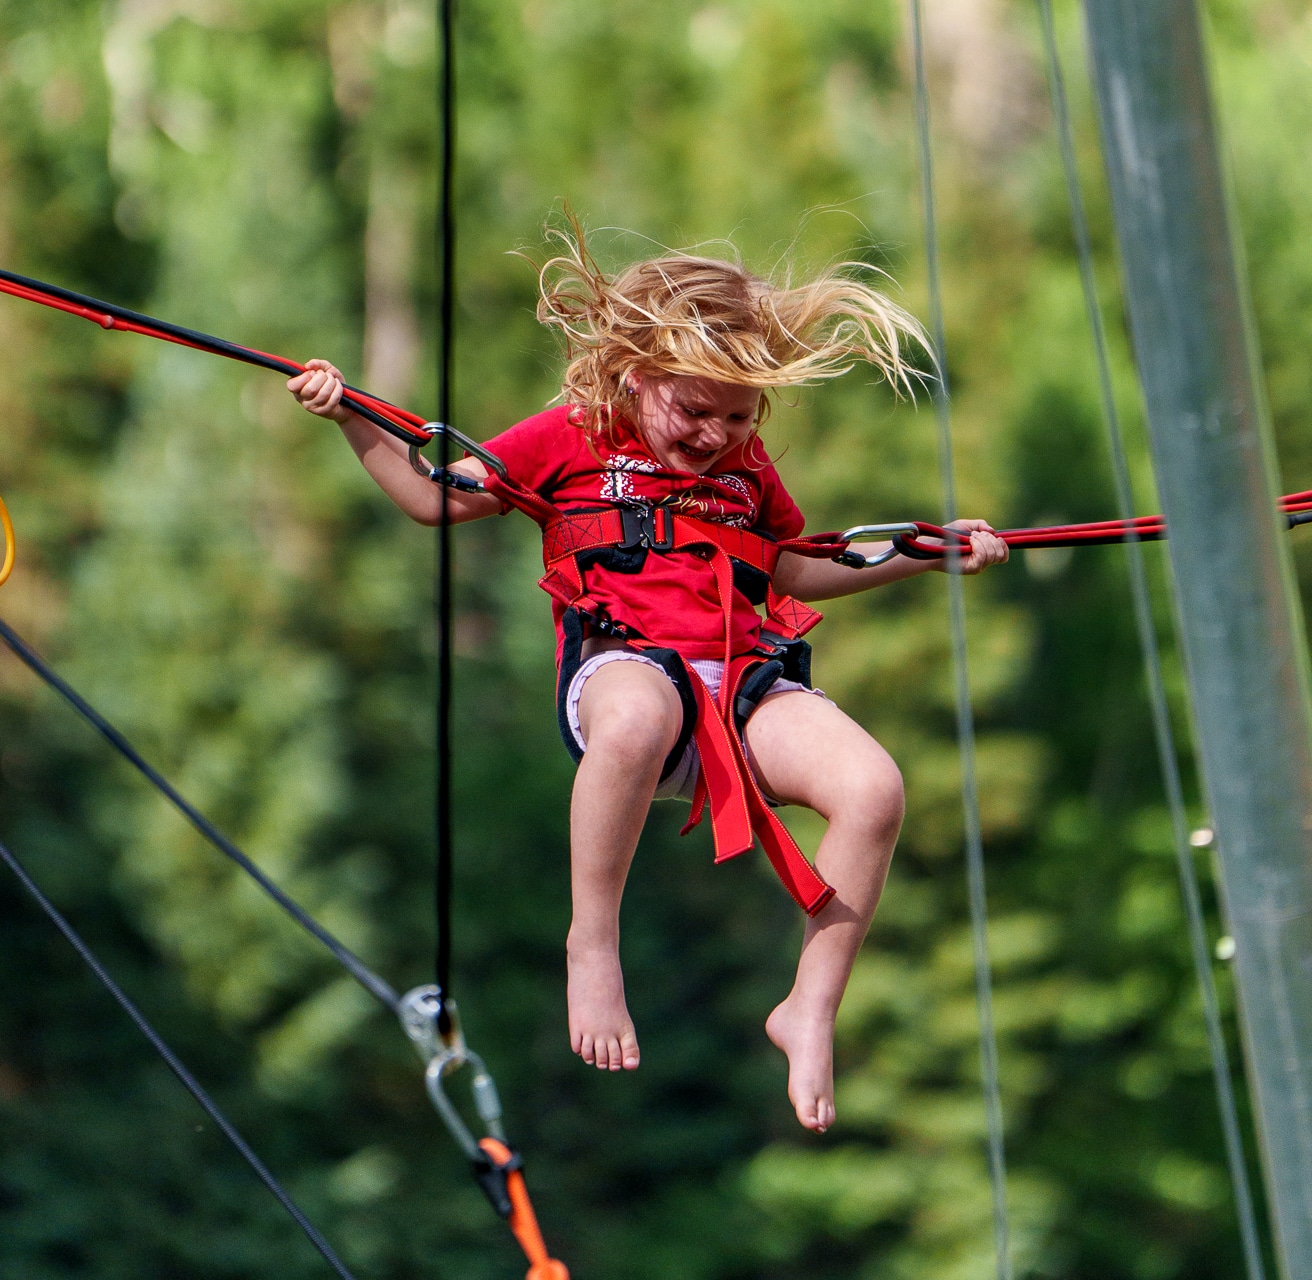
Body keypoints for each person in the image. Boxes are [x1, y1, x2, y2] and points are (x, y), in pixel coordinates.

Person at [286, 227, 1007, 1133]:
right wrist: (351, 412)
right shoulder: (571, 437)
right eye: (697, 413)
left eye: (740, 418)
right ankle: (593, 945)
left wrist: (924, 555)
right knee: (637, 718)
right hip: (626, 672)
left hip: (741, 687)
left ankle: (809, 1007)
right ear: (636, 376)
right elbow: (435, 495)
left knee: (874, 788)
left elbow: (794, 567)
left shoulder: (745, 467)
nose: (717, 437)